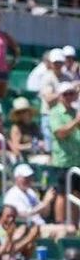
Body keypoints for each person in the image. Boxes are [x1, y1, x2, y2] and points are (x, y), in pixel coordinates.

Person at [3, 163, 67, 239]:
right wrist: (45, 202)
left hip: (40, 225)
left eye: (29, 177)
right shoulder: (12, 194)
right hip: (28, 228)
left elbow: (45, 214)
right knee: (66, 230)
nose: (28, 180)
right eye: (25, 177)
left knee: (69, 229)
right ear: (16, 178)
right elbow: (24, 215)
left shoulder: (31, 192)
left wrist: (48, 202)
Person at [49, 82, 80, 225]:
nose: (68, 96)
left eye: (71, 93)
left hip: (77, 160)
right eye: (65, 94)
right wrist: (76, 122)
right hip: (63, 161)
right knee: (62, 193)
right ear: (60, 96)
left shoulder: (75, 112)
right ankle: (60, 224)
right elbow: (60, 133)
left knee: (76, 194)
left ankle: (74, 224)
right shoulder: (55, 112)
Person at [39, 49, 68, 151]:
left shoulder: (67, 78)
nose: (58, 65)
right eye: (56, 62)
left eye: (60, 62)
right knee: (50, 149)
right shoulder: (46, 78)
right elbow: (48, 99)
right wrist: (65, 92)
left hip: (64, 116)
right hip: (49, 115)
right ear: (51, 63)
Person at [8, 97, 46, 161]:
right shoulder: (16, 128)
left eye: (24, 111)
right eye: (19, 112)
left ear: (29, 111)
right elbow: (15, 147)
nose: (22, 114)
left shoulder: (34, 125)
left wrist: (42, 144)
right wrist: (30, 146)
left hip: (38, 154)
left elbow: (41, 140)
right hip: (26, 158)